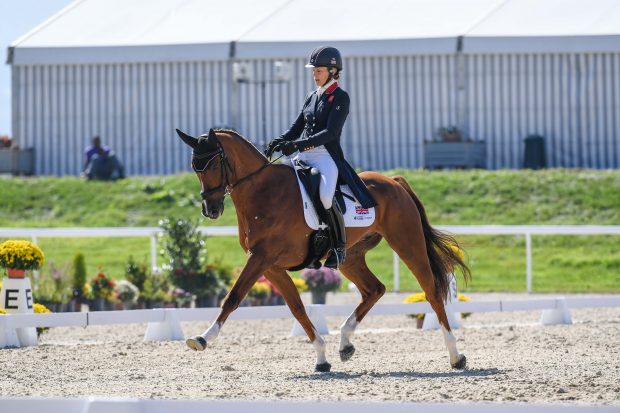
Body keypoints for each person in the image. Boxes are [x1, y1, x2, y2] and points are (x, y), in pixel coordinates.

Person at [266, 46, 376, 269]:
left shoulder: (340, 98)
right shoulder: (311, 97)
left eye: (319, 71)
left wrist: (297, 144)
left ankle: (338, 246)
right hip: (304, 156)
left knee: (325, 196)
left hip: (325, 156)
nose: (314, 75)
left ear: (333, 71)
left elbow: (330, 134)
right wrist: (280, 141)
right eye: (314, 71)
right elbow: (297, 127)